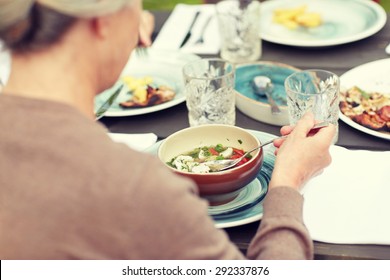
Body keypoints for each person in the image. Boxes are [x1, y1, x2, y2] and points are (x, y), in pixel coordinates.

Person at [0, 0, 336, 260]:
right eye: (138, 8)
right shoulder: (135, 187)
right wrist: (288, 182)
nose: (143, 23)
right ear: (101, 21)